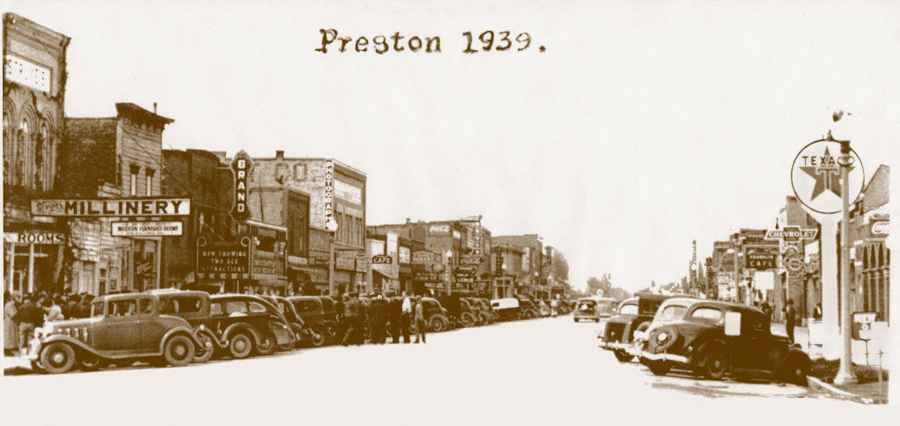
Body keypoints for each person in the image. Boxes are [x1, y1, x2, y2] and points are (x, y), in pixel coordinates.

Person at [4, 292, 19, 356]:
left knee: (12, 336)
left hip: (13, 323)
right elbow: (13, 315)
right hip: (9, 323)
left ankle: (10, 349)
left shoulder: (12, 305)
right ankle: (7, 350)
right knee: (8, 336)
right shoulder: (9, 305)